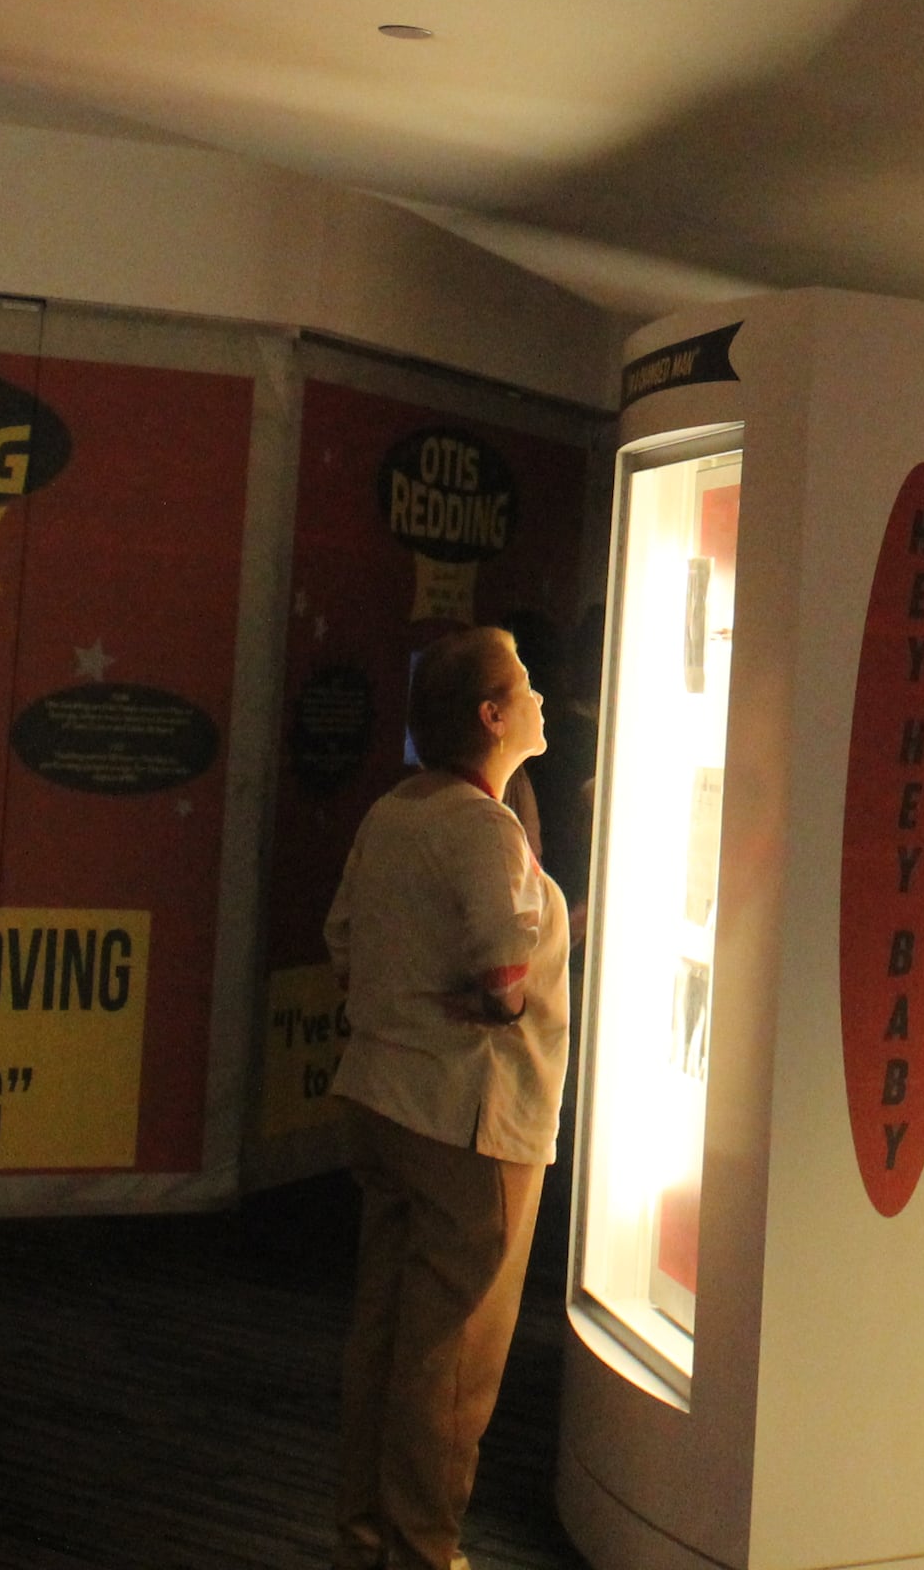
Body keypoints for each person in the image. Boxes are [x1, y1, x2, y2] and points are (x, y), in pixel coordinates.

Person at [324, 626, 571, 1570]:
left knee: (384, 1337)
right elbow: (504, 976)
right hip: (471, 1122)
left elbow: (343, 940)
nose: (542, 698)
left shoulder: (395, 810)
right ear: (492, 716)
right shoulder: (485, 827)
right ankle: (426, 1549)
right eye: (526, 684)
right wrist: (496, 999)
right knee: (454, 1359)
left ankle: (365, 1537)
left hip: (382, 1099)